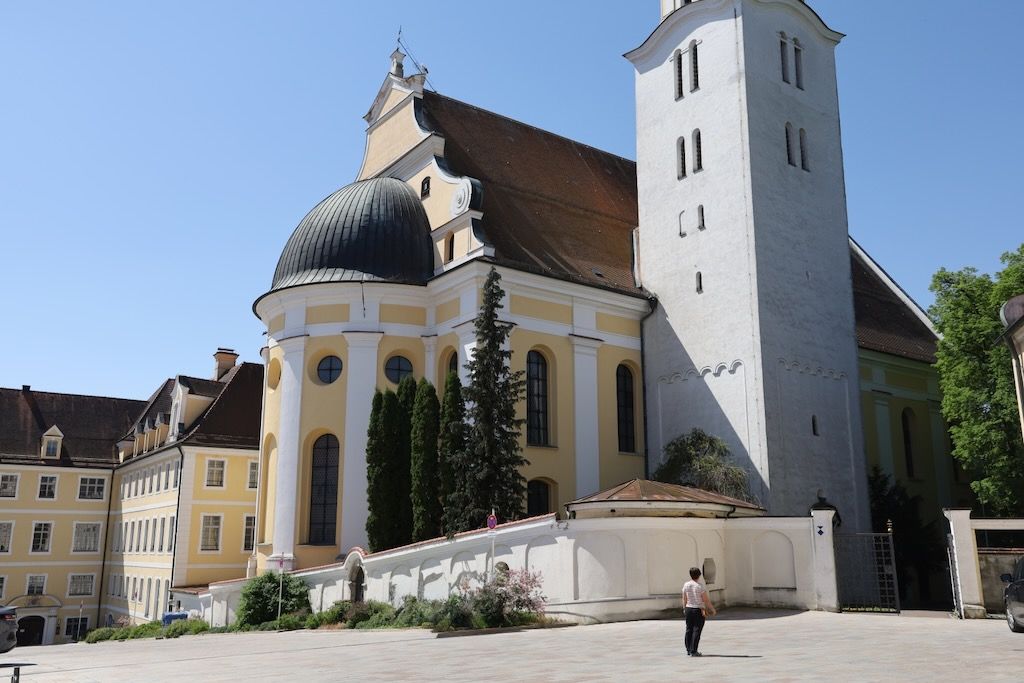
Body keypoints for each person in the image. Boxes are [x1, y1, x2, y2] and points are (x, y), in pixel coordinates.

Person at [682, 566, 716, 656]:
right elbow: (706, 600)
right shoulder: (700, 586)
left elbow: (684, 598)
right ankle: (694, 650)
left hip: (688, 608)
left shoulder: (686, 585)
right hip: (698, 609)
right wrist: (712, 609)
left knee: (689, 629)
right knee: (697, 630)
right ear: (699, 575)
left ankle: (688, 649)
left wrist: (684, 608)